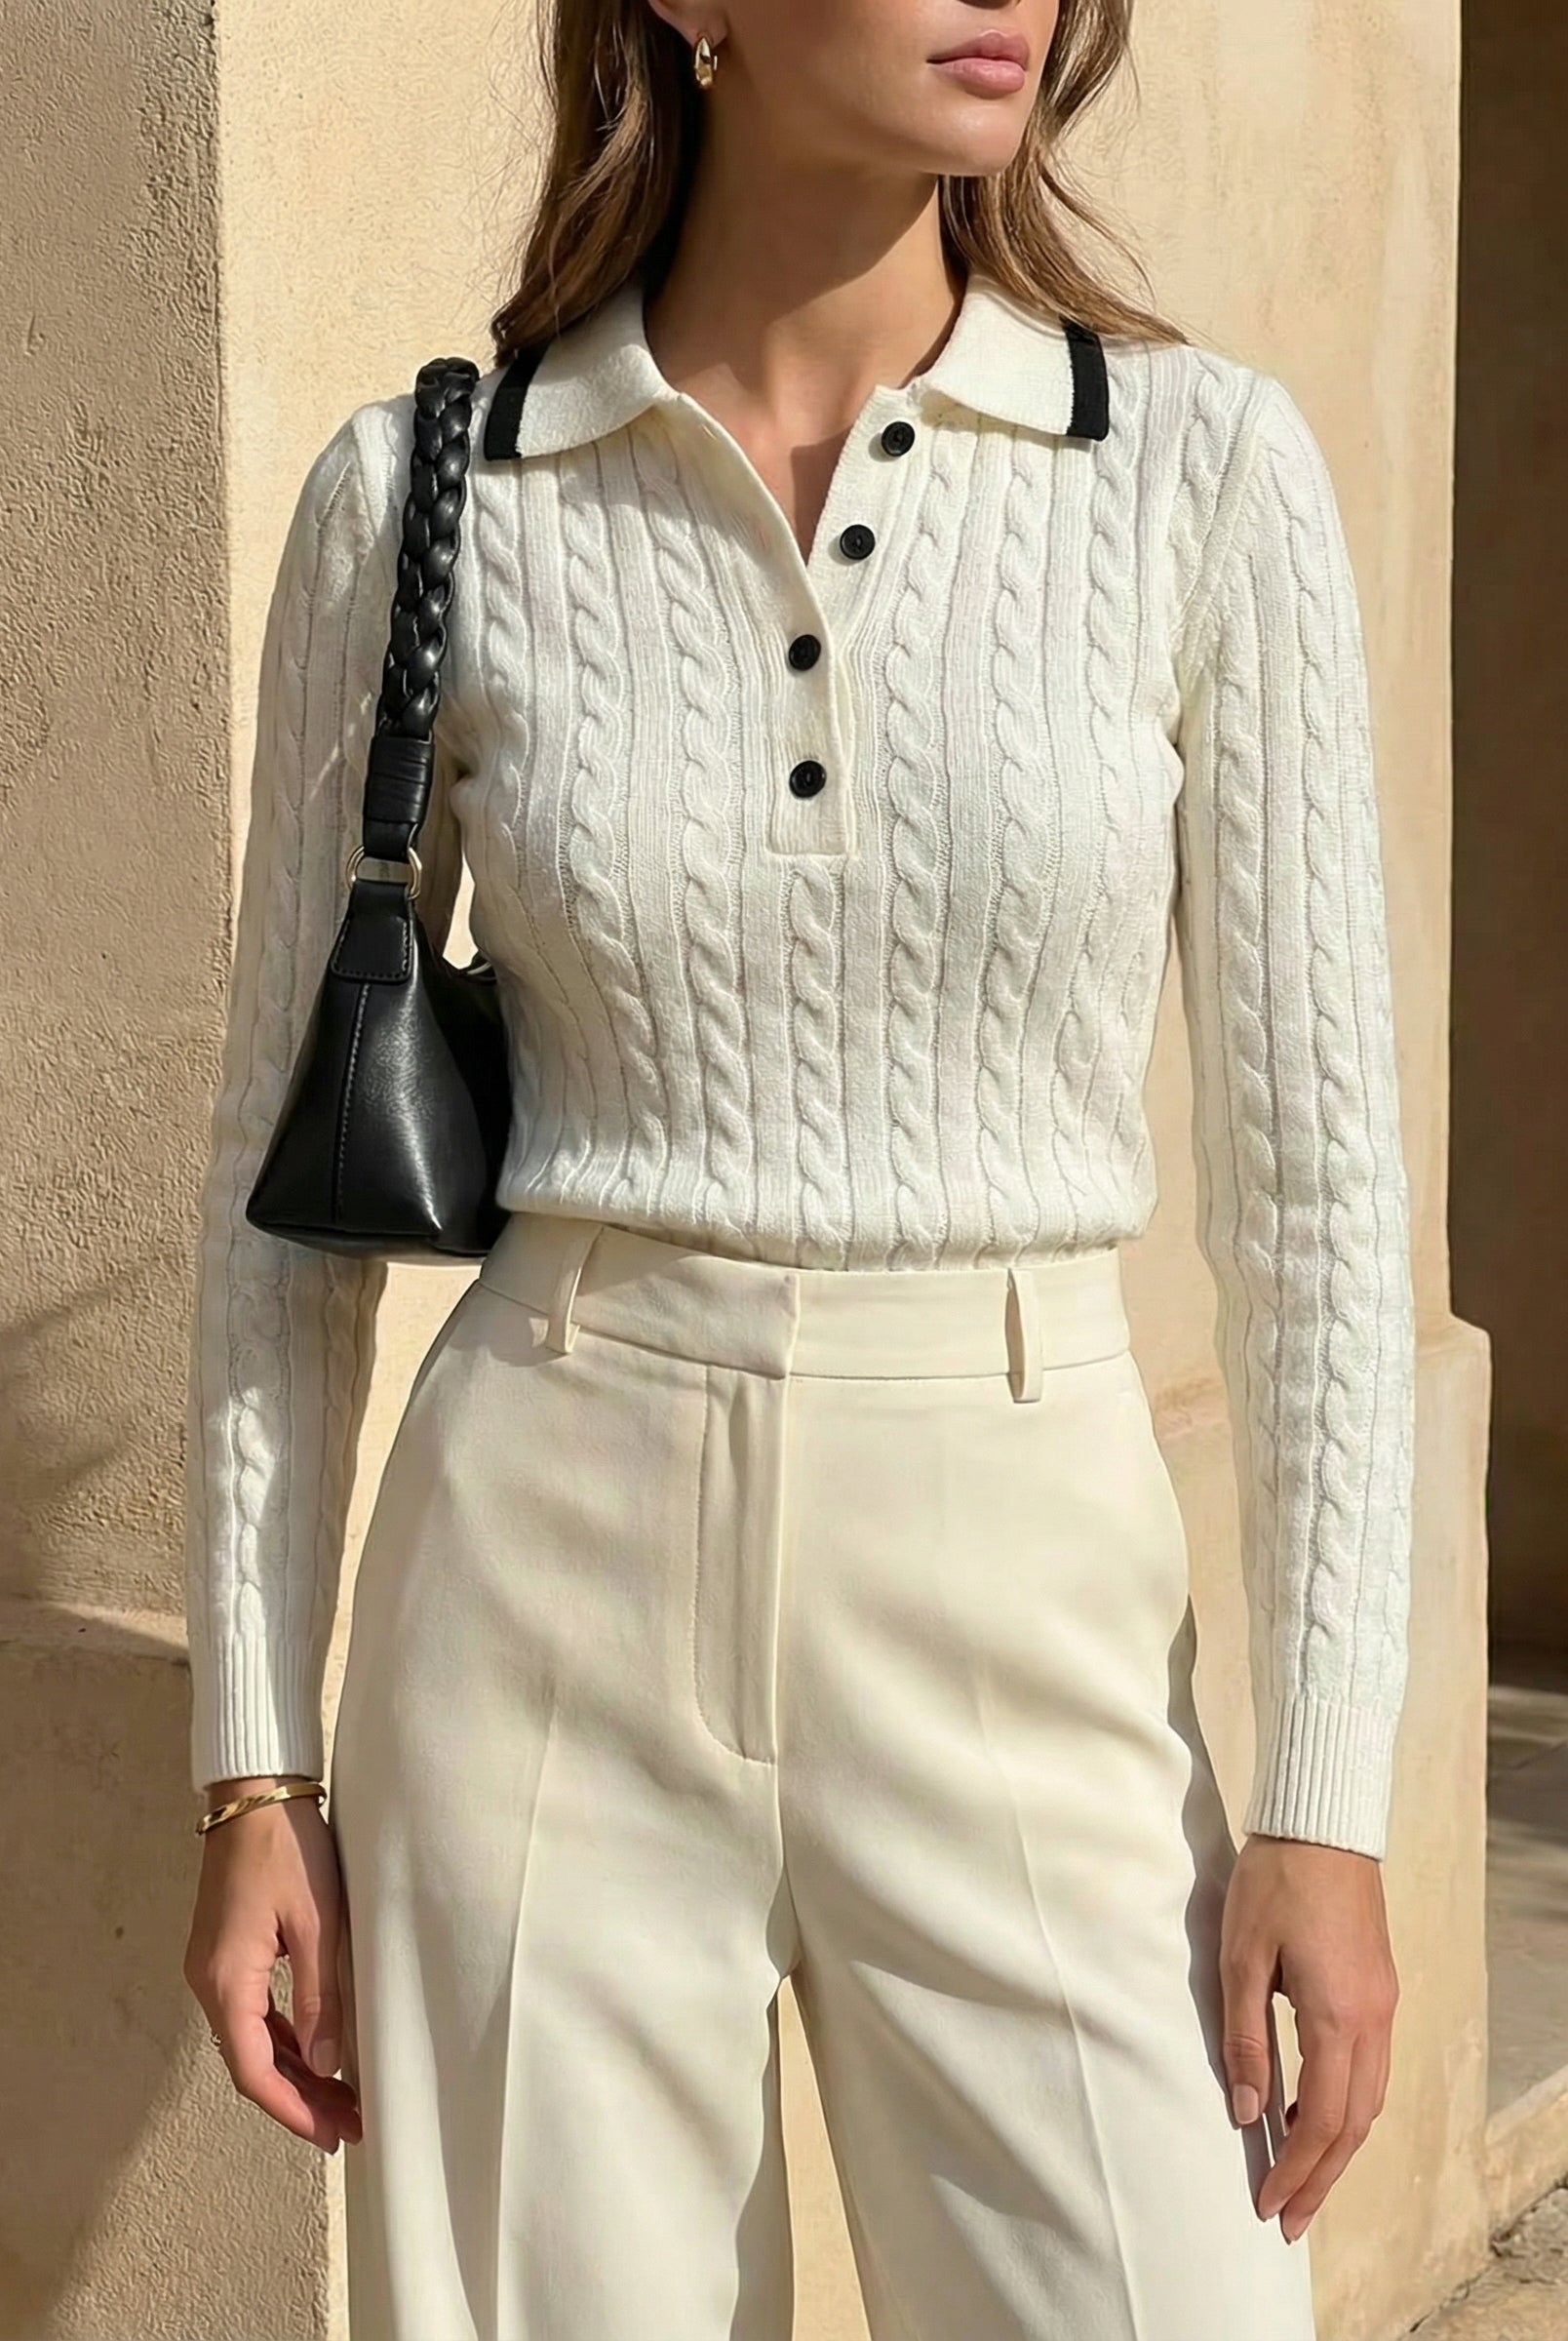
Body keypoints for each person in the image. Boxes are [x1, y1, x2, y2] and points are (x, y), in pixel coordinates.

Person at [181, 3, 1415, 2335]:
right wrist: (257, 1770)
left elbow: (1323, 1205)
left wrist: (1326, 1801)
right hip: (542, 1570)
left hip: (1023, 1569)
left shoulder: (1196, 476)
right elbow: (278, 1207)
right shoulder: (431, 494)